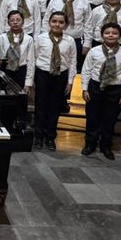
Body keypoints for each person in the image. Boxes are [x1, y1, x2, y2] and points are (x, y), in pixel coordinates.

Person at [80, 23, 121, 160]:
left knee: (110, 118)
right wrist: (85, 88)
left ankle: (106, 145)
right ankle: (90, 143)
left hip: (115, 89)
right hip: (96, 86)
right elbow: (86, 70)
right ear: (101, 35)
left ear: (120, 36)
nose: (111, 35)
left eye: (114, 33)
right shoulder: (94, 51)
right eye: (107, 33)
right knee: (92, 117)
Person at [33, 12, 77, 151]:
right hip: (42, 74)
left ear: (66, 25)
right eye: (54, 21)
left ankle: (50, 137)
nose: (57, 24)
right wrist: (31, 80)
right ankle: (38, 136)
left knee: (55, 107)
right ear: (49, 22)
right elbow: (33, 58)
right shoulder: (40, 39)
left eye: (61, 22)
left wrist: (70, 82)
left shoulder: (70, 41)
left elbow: (72, 61)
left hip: (60, 76)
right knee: (41, 107)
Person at [43, 0, 92, 72]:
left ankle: (70, 86)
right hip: (55, 39)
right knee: (56, 65)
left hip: (76, 40)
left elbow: (88, 24)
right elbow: (46, 21)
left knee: (73, 68)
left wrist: (87, 43)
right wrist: (44, 38)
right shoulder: (54, 1)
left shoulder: (84, 2)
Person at [0, 10, 35, 94]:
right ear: (8, 23)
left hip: (21, 72)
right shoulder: (2, 37)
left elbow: (30, 61)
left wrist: (28, 82)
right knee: (4, 98)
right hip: (5, 70)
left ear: (23, 22)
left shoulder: (29, 39)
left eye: (18, 20)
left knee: (19, 98)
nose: (15, 22)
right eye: (12, 20)